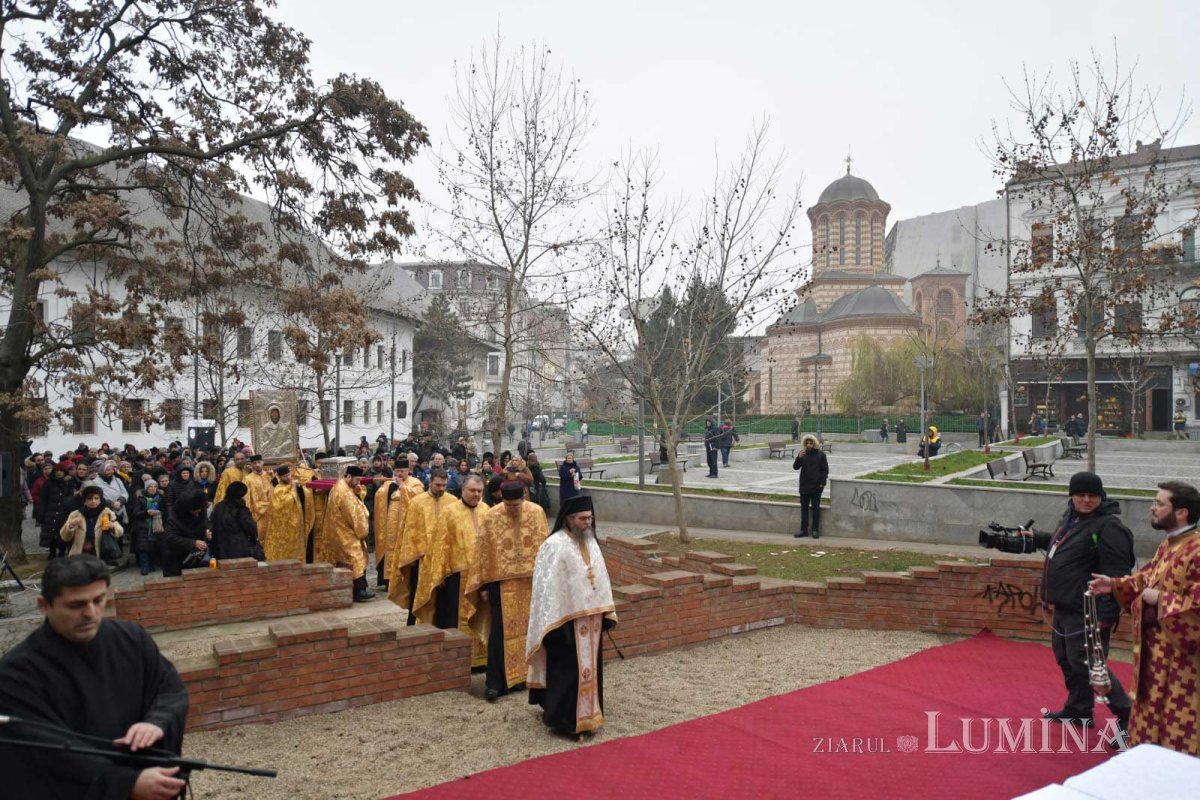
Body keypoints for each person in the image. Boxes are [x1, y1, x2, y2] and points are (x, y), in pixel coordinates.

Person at [0, 556, 190, 800]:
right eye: (75, 605)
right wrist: (126, 785)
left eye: (98, 600)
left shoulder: (130, 639)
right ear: (44, 605)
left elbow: (170, 690)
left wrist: (156, 722)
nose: (90, 613)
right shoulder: (16, 674)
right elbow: (48, 755)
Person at [1018, 472, 1134, 740]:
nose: (1085, 499)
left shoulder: (1109, 528)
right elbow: (1067, 547)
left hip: (1089, 612)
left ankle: (1129, 716)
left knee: (1091, 665)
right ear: (1071, 496)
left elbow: (1118, 577)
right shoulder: (1072, 520)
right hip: (1065, 608)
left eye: (1091, 496)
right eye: (1080, 494)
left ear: (1101, 497)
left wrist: (1104, 616)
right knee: (1067, 660)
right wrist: (1037, 538)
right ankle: (1079, 710)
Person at [1090, 480, 1200, 755]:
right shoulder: (1168, 545)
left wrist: (1162, 600)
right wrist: (1114, 585)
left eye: (1159, 503)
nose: (1152, 508)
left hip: (1183, 670)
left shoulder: (1197, 551)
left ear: (1182, 512)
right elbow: (1147, 580)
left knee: (1177, 736)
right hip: (1153, 661)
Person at [527, 495, 617, 736]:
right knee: (567, 672)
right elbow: (546, 587)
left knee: (591, 670)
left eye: (590, 518)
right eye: (582, 518)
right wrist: (558, 616)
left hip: (592, 621)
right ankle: (564, 721)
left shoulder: (591, 541)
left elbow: (600, 577)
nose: (588, 523)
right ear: (569, 519)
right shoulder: (553, 545)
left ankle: (590, 716)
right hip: (564, 622)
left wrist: (605, 609)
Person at [466, 480, 549, 701]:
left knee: (532, 631)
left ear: (524, 498)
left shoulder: (536, 513)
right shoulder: (492, 516)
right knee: (500, 634)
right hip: (501, 586)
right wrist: (483, 585)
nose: (512, 509)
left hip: (532, 584)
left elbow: (546, 550)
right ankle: (495, 683)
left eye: (516, 505)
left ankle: (528, 677)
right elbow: (483, 553)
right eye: (508, 505)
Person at [412, 473, 484, 636]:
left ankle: (481, 659)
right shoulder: (450, 512)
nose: (476, 494)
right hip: (456, 574)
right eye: (472, 490)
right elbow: (439, 545)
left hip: (480, 575)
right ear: (463, 490)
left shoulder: (486, 510)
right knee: (454, 617)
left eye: (479, 491)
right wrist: (439, 574)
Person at [387, 468, 453, 618]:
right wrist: (411, 556)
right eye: (438, 485)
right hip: (421, 559)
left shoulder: (452, 502)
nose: (441, 488)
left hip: (445, 559)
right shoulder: (417, 503)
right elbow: (409, 531)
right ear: (430, 483)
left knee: (443, 600)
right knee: (418, 597)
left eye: (444, 485)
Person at [376, 460, 425, 590]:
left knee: (403, 547)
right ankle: (388, 579)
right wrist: (389, 489)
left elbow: (419, 496)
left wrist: (402, 486)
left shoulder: (415, 482)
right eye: (397, 471)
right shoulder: (389, 482)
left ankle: (403, 579)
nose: (399, 473)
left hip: (407, 521)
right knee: (390, 547)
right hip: (390, 521)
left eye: (402, 471)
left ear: (408, 471)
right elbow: (379, 494)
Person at [326, 465, 373, 602]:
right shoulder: (344, 493)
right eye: (357, 480)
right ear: (349, 477)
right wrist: (363, 529)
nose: (358, 483)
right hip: (345, 531)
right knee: (355, 557)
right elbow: (353, 515)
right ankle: (359, 590)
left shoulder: (341, 487)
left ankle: (354, 589)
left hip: (339, 529)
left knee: (348, 559)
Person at [263, 464, 316, 562]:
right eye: (285, 476)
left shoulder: (294, 484)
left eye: (289, 475)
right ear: (279, 477)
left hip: (297, 525)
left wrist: (300, 488)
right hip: (284, 527)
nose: (288, 477)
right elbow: (282, 505)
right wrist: (294, 489)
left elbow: (306, 495)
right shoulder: (278, 489)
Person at [60, 484, 125, 562]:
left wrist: (112, 526)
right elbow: (64, 537)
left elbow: (120, 531)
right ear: (85, 501)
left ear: (100, 499)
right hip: (79, 556)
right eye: (89, 498)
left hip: (100, 556)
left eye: (96, 498)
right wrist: (70, 526)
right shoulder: (75, 514)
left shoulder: (106, 512)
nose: (93, 501)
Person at [209, 481, 262, 561]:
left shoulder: (218, 506)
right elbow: (250, 528)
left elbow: (211, 523)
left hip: (219, 547)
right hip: (237, 548)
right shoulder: (241, 508)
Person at [792, 434, 828, 539]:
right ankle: (803, 530)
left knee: (816, 509)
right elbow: (795, 467)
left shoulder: (821, 455)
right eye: (807, 443)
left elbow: (825, 470)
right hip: (804, 486)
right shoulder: (803, 454)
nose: (809, 445)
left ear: (814, 443)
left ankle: (815, 530)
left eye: (810, 443)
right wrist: (798, 458)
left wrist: (822, 483)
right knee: (804, 509)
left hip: (817, 487)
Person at [243, 454, 274, 533]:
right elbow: (247, 498)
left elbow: (275, 491)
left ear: (263, 462)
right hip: (257, 513)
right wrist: (248, 515)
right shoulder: (248, 479)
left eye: (259, 462)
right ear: (252, 465)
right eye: (254, 463)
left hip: (271, 511)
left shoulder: (269, 475)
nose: (257, 465)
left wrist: (273, 478)